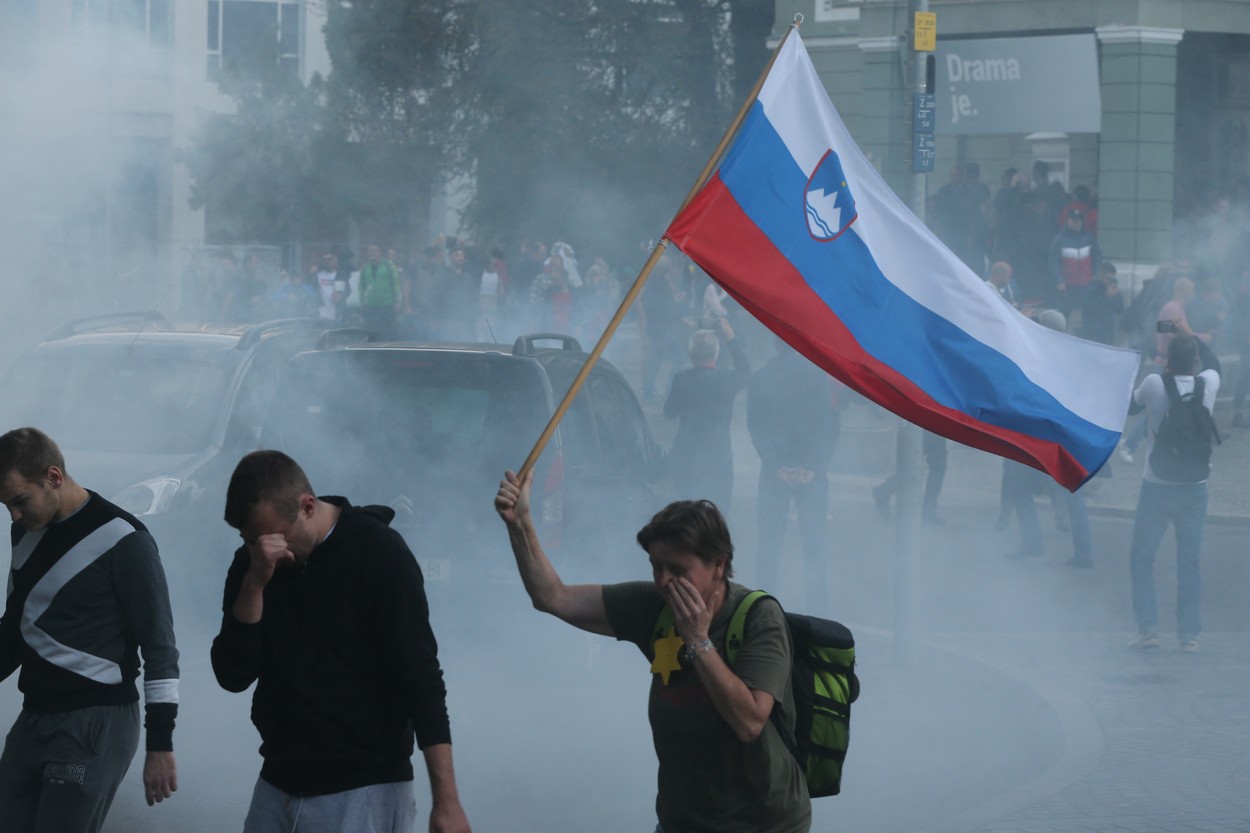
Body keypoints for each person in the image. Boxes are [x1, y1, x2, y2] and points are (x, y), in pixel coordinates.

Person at [494, 474, 811, 833]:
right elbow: (552, 596)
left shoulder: (759, 617)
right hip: (682, 821)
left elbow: (750, 722)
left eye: (678, 570)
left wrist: (698, 641)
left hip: (762, 825)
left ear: (719, 565)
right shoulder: (652, 606)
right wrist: (520, 525)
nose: (663, 581)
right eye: (656, 566)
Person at [211, 450, 472, 833]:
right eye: (250, 540)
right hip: (278, 780)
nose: (266, 551)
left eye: (275, 537)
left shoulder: (379, 554)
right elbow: (232, 675)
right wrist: (254, 583)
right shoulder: (254, 562)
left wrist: (446, 801)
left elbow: (421, 679)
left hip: (365, 787)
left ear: (308, 506)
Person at [0, 427, 179, 831]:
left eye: (19, 500)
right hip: (35, 716)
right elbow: (16, 630)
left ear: (54, 477)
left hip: (96, 722)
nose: (13, 515)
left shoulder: (126, 541)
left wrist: (161, 743)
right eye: (5, 505)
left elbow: (160, 646)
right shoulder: (24, 532)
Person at [1126, 335, 1219, 652]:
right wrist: (1191, 333)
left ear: (1166, 360)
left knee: (1142, 557)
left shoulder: (1154, 384)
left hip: (1157, 485)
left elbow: (1130, 407)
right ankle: (1189, 635)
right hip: (1195, 488)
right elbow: (1215, 362)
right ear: (1195, 362)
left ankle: (1148, 629)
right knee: (1189, 561)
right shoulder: (1208, 384)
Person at [747, 338, 839, 609]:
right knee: (815, 545)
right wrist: (813, 466)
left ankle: (764, 607)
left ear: (776, 346)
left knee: (769, 543)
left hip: (776, 469)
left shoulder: (761, 378)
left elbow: (755, 425)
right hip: (811, 471)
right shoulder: (818, 377)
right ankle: (818, 609)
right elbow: (829, 423)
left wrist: (776, 465)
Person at [663, 320, 749, 512]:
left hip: (687, 454)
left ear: (691, 354)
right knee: (718, 511)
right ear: (716, 354)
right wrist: (731, 339)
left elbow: (668, 413)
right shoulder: (727, 379)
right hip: (719, 455)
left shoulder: (681, 379)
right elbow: (745, 371)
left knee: (687, 512)